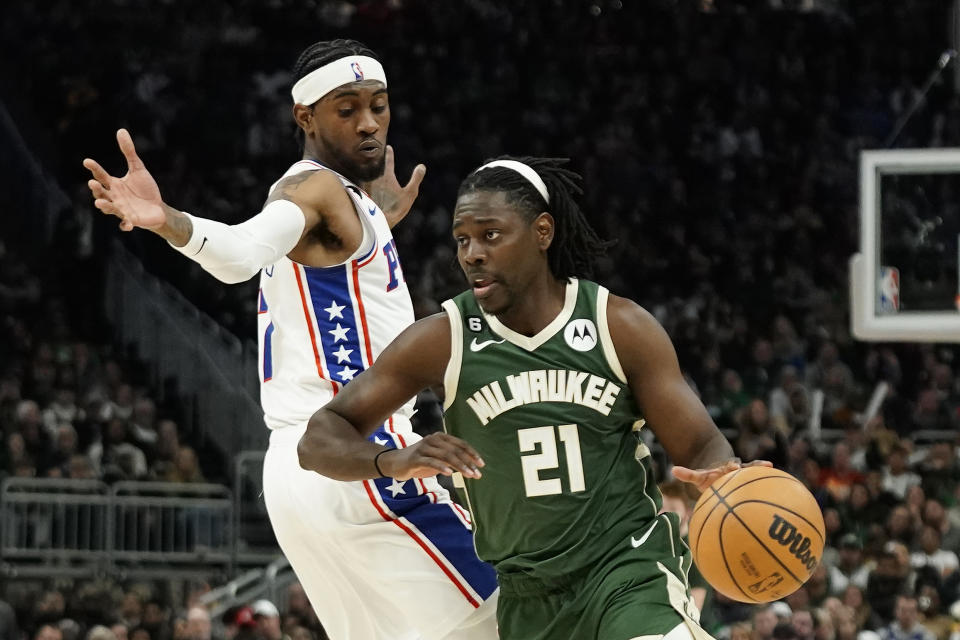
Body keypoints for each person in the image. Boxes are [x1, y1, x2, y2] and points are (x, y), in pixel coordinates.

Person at [82, 39, 498, 640]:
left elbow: (334, 275)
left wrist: (376, 219)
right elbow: (240, 254)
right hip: (358, 451)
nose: (369, 123)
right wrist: (165, 219)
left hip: (299, 473)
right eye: (346, 108)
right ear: (304, 117)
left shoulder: (341, 206)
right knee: (516, 612)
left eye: (379, 106)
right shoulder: (312, 189)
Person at [297, 156, 770, 639]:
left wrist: (719, 477)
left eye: (490, 235)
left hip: (626, 571)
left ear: (542, 232)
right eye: (462, 239)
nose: (472, 253)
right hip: (527, 599)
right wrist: (391, 460)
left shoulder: (618, 326)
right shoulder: (444, 339)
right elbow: (317, 438)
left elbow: (702, 446)